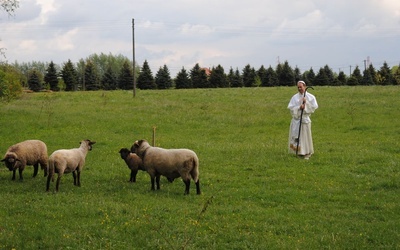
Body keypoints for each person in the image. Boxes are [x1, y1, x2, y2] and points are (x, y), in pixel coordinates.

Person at [288, 81, 318, 159]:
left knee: (305, 137)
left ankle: (307, 152)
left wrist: (306, 104)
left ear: (304, 86)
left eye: (300, 87)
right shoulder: (294, 97)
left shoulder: (311, 97)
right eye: (298, 87)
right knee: (297, 137)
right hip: (296, 120)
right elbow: (291, 108)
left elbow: (313, 108)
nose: (299, 89)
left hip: (305, 120)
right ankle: (299, 152)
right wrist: (299, 107)